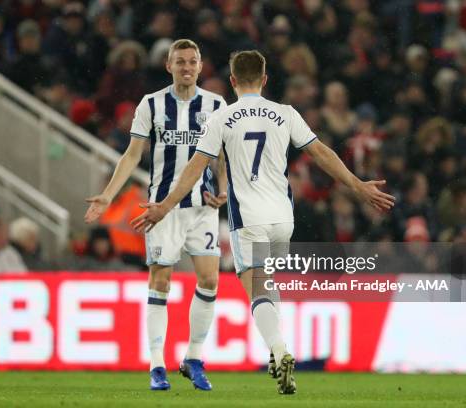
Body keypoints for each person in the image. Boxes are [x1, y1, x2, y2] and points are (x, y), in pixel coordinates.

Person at [132, 50, 395, 394]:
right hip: (283, 218)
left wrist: (165, 206)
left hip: (250, 218)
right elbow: (322, 154)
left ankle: (279, 349)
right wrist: (358, 185)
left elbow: (194, 169)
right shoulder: (285, 113)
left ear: (232, 81)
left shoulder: (223, 118)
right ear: (265, 79)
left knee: (256, 291)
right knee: (268, 285)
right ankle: (277, 349)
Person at [84, 39, 227, 392]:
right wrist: (108, 194)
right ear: (168, 66)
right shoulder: (151, 104)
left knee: (210, 281)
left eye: (192, 61)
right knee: (160, 282)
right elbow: (133, 155)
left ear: (200, 66)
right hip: (162, 209)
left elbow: (222, 155)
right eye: (180, 62)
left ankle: (193, 357)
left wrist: (224, 188)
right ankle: (156, 364)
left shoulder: (216, 105)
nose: (187, 67)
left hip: (203, 207)